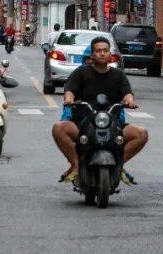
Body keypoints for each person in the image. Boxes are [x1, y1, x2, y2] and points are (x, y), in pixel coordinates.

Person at [52, 36, 148, 186]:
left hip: (113, 124)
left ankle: (119, 165)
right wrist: (69, 99)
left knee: (141, 133)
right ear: (92, 54)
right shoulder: (81, 72)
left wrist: (130, 101)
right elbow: (70, 91)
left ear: (110, 54)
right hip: (83, 124)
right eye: (98, 51)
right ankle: (76, 165)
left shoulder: (118, 75)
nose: (102, 53)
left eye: (105, 50)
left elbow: (127, 94)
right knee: (58, 128)